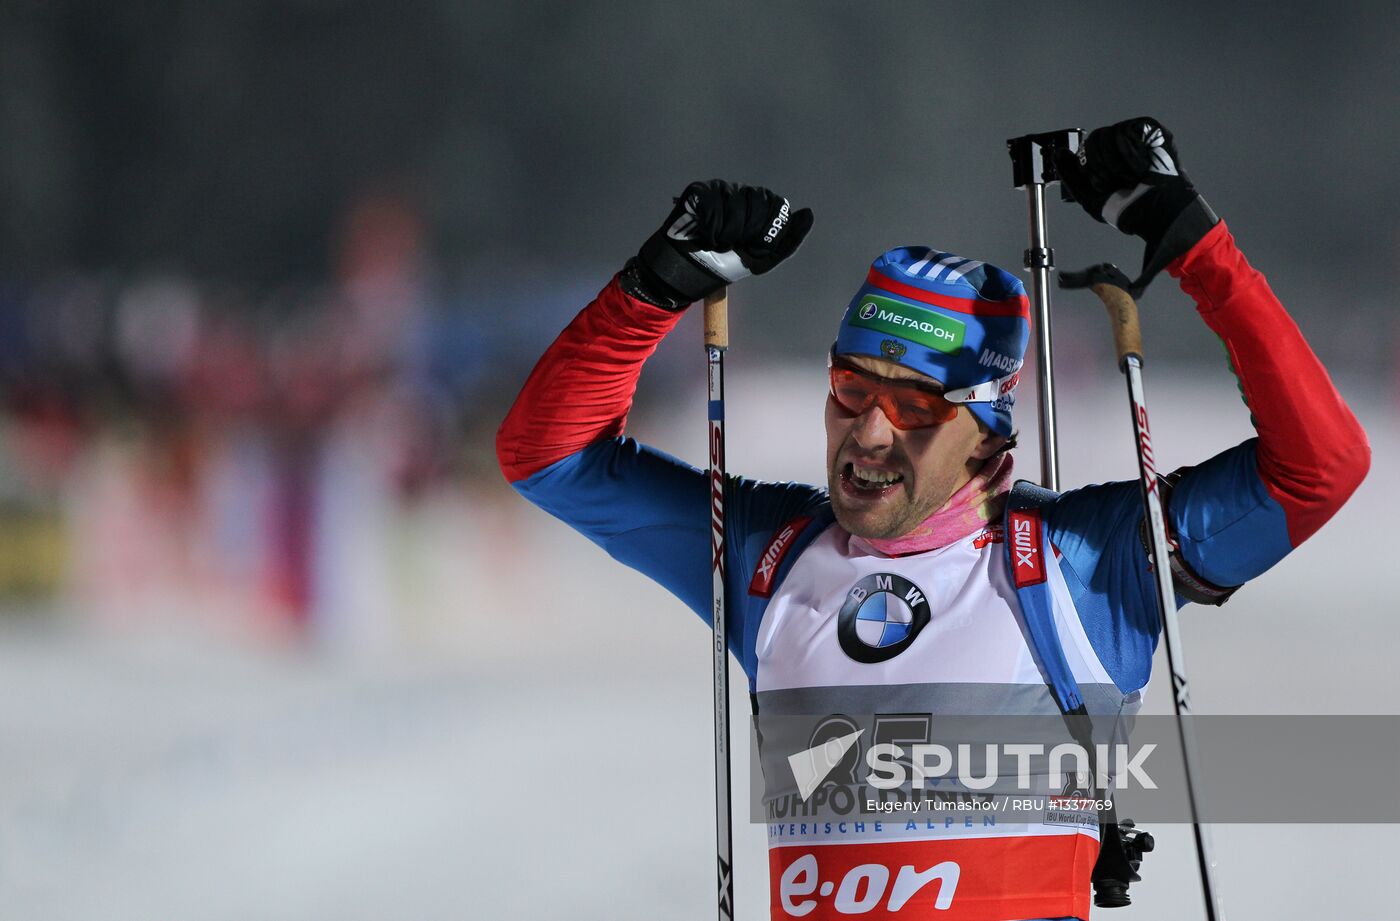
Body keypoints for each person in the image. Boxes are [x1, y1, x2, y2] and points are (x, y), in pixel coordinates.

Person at [495, 118, 1369, 920]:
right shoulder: (773, 555)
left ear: (986, 425)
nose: (868, 431)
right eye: (852, 388)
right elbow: (549, 456)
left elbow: (1319, 466)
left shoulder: (1085, 562)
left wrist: (1191, 242)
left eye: (915, 405)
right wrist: (654, 288)